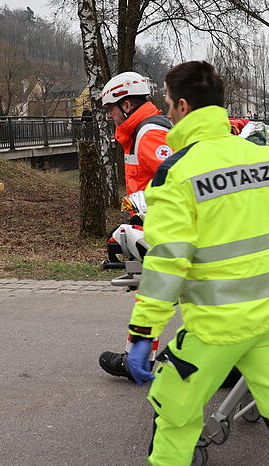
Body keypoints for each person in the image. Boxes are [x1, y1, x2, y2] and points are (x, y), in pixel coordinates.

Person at [124, 60, 269, 465]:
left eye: (169, 106)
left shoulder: (177, 173)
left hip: (215, 327)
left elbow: (167, 262)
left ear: (184, 107)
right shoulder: (263, 157)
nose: (167, 114)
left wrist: (142, 332)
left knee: (175, 417)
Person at [96, 71, 173, 379]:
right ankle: (137, 357)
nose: (110, 115)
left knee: (155, 291)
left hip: (167, 229)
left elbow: (174, 182)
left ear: (126, 105)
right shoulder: (140, 131)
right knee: (153, 292)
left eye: (111, 108)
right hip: (154, 224)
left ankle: (136, 359)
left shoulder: (149, 134)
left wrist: (142, 229)